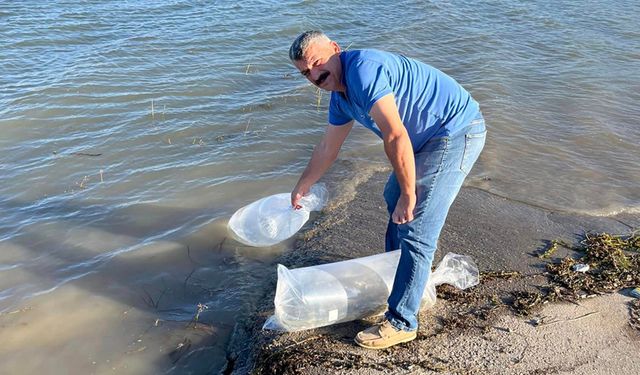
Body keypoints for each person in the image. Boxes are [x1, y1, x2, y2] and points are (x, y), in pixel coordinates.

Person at [288, 30, 486, 349]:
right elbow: (328, 146)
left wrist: (410, 195)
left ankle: (402, 321)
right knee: (392, 198)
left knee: (415, 223)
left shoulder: (364, 70)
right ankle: (403, 285)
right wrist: (303, 184)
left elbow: (395, 136)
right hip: (421, 141)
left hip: (455, 131)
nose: (313, 75)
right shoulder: (341, 99)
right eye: (304, 72)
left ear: (336, 49)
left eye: (316, 62)